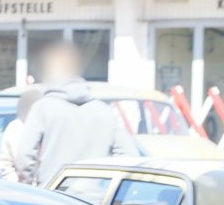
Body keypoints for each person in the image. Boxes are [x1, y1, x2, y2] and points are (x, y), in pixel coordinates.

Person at [15, 43, 135, 185]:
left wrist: (28, 187)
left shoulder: (42, 108)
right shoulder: (104, 110)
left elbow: (24, 156)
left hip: (54, 195)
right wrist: (108, 184)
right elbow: (129, 155)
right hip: (96, 200)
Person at [0, 87, 41, 181]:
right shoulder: (14, 128)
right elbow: (6, 164)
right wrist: (16, 182)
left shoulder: (49, 126)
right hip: (22, 187)